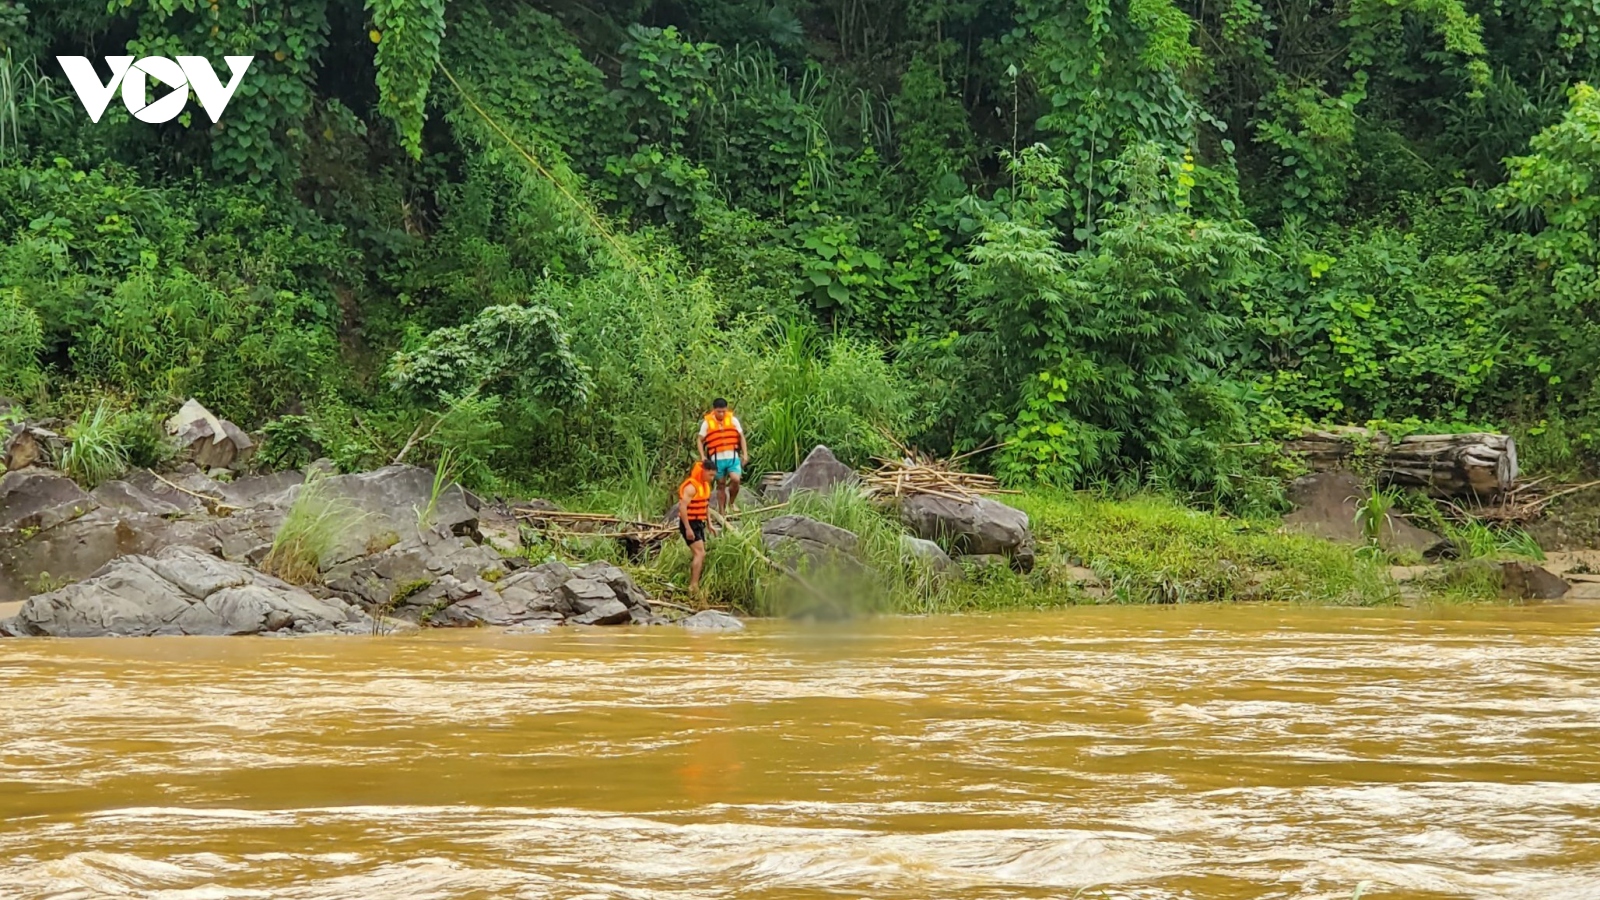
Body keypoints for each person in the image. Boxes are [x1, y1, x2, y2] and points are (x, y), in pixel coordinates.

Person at [698, 398, 748, 513]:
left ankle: (731, 503)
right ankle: (722, 511)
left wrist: (745, 454)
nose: (721, 414)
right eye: (719, 411)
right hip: (717, 459)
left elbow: (741, 437)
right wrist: (702, 456)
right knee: (721, 484)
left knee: (736, 479)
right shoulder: (707, 423)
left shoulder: (733, 420)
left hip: (732, 457)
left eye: (723, 411)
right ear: (714, 410)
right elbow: (699, 440)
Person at [678, 460, 713, 595]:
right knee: (700, 553)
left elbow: (706, 506)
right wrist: (687, 528)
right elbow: (682, 507)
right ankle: (693, 585)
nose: (712, 478)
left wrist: (709, 524)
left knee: (699, 553)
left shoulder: (704, 486)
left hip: (699, 523)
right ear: (703, 471)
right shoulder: (691, 487)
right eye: (710, 475)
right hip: (689, 523)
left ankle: (693, 581)